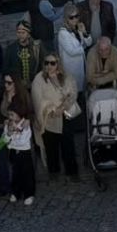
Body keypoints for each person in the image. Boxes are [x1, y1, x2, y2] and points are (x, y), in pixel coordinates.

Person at [31, 50, 80, 180]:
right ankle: (54, 172)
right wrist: (52, 109)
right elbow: (38, 100)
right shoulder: (39, 79)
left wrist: (63, 106)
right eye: (46, 63)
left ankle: (72, 172)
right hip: (49, 119)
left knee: (68, 146)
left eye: (52, 63)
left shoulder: (66, 76)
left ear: (58, 64)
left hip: (65, 116)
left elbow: (73, 93)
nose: (49, 66)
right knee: (51, 147)